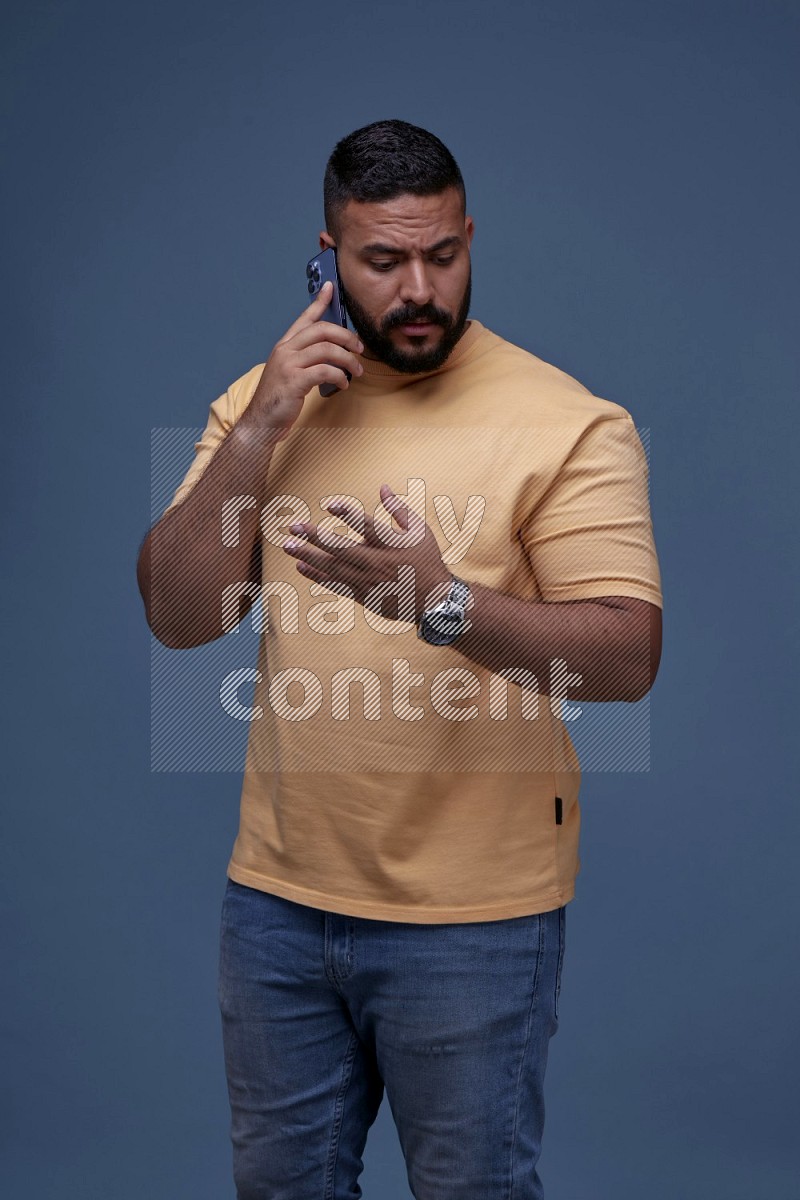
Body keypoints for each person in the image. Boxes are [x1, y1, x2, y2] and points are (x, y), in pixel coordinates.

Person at [137, 119, 662, 1200]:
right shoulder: (261, 405)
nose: (418, 288)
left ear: (469, 238)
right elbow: (179, 615)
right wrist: (258, 430)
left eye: (442, 255)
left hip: (472, 919)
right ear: (325, 258)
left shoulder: (566, 423)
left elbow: (623, 660)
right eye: (382, 261)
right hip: (276, 904)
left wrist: (443, 607)